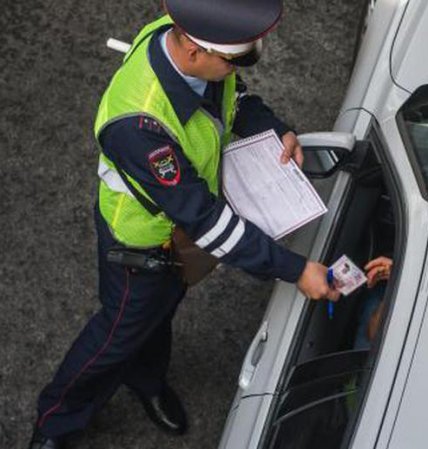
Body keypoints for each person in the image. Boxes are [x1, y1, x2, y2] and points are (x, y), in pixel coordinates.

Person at [29, 1, 338, 448]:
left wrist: (273, 127)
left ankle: (146, 379)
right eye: (230, 61)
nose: (235, 71)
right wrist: (296, 269)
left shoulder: (175, 39)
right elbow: (207, 222)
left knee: (158, 314)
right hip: (141, 247)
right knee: (113, 336)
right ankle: (55, 421)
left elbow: (235, 95)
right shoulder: (139, 126)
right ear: (194, 51)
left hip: (173, 243)